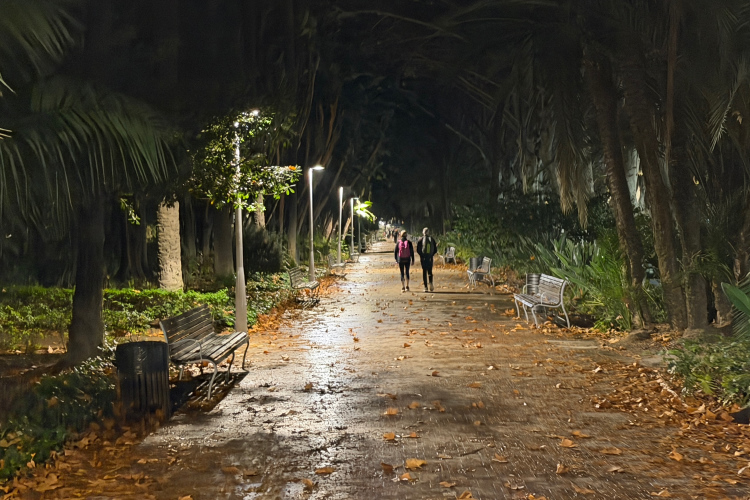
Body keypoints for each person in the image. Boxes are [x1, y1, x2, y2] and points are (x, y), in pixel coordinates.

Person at [416, 227, 438, 292]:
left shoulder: (420, 240)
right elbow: (435, 250)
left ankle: (425, 287)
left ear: (423, 232)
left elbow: (418, 250)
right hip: (430, 258)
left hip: (423, 258)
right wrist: (431, 255)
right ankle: (431, 283)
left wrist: (422, 255)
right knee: (430, 271)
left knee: (424, 272)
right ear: (428, 232)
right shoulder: (432, 239)